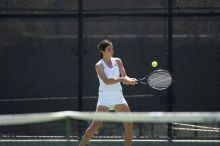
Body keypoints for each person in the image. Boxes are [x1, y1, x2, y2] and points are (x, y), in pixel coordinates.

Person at [79, 39, 137, 146]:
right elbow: (106, 81)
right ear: (102, 51)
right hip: (104, 99)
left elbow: (124, 76)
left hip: (118, 98)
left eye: (112, 49)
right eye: (109, 49)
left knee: (129, 124)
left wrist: (129, 80)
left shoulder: (118, 61)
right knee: (94, 126)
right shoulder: (99, 65)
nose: (111, 51)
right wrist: (123, 80)